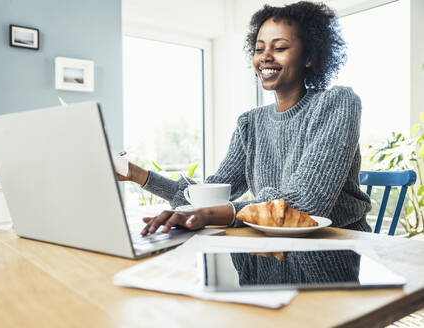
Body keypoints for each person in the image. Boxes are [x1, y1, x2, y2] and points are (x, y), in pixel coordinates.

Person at [118, 1, 372, 235]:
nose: (265, 57)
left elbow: (305, 204)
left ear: (309, 57)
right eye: (259, 48)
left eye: (280, 47)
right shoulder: (250, 124)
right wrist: (137, 175)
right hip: (271, 248)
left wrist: (208, 215)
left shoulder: (337, 103)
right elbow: (208, 200)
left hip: (339, 245)